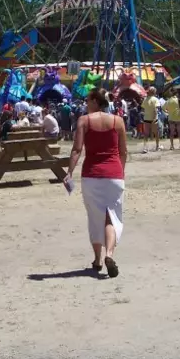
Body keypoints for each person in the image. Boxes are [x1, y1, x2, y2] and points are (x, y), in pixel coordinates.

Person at [64, 87, 127, 278]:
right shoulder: (118, 121)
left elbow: (76, 150)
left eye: (87, 100)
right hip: (114, 174)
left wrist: (69, 172)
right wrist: (120, 171)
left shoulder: (84, 121)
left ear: (94, 101)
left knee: (95, 217)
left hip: (91, 175)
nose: (85, 103)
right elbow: (123, 151)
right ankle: (109, 254)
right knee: (112, 217)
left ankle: (98, 259)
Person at [141, 87, 160, 154]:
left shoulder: (145, 100)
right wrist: (154, 118)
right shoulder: (156, 99)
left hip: (146, 119)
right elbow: (156, 109)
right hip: (154, 119)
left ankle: (145, 148)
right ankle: (157, 146)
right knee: (156, 133)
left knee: (146, 134)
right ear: (154, 92)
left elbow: (143, 110)